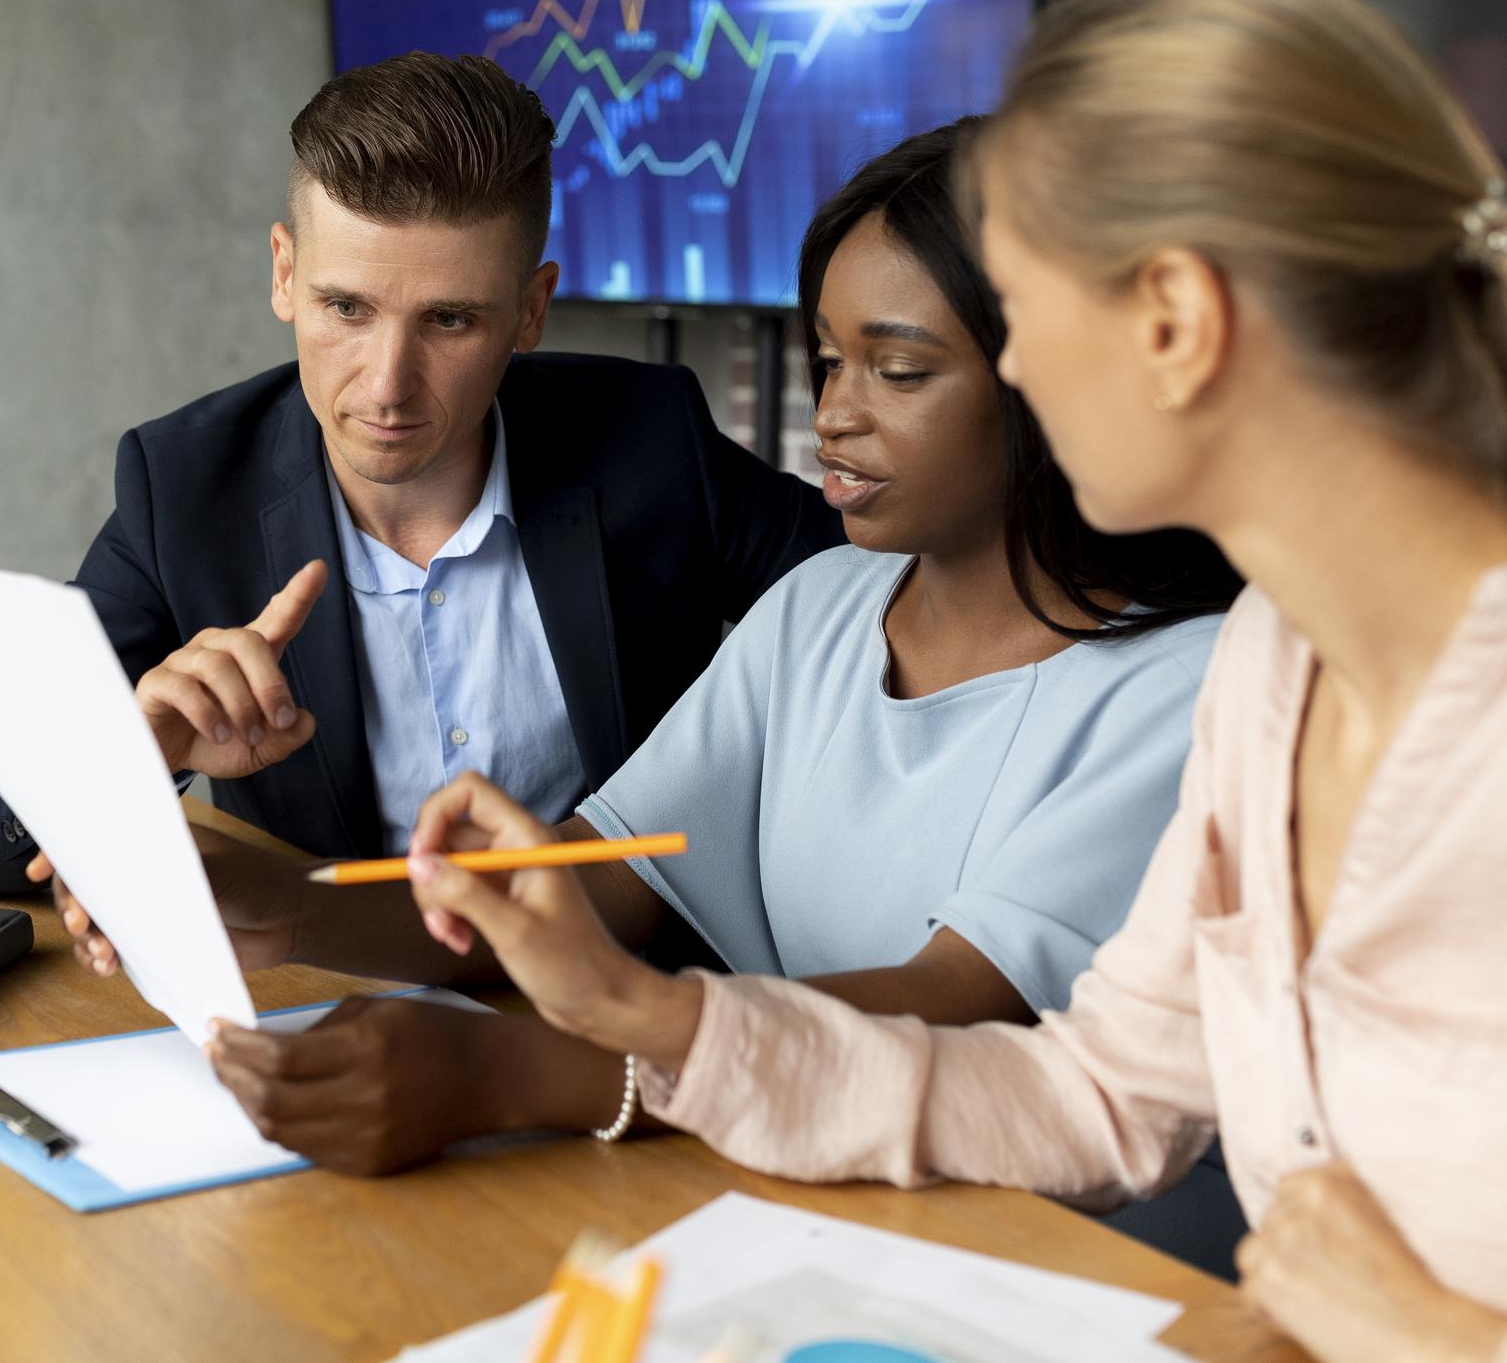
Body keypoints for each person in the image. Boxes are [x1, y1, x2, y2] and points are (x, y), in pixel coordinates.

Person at [388, 0, 1507, 1361]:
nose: (1022, 369)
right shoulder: (1276, 671)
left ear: (1175, 320)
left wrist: (1441, 1341)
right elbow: (1099, 1092)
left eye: (1019, 306)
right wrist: (657, 1019)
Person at [100, 126, 1241, 1194]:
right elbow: (586, 879)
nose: (833, 416)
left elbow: (947, 1008)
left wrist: (516, 1073)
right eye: (829, 361)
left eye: (894, 372)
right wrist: (268, 899)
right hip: (742, 1180)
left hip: (985, 1229)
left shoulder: (1188, 690)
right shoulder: (820, 606)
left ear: (1059, 385)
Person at [0, 52, 840, 892]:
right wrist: (133, 750)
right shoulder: (188, 486)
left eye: (449, 321)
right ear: (284, 274)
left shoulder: (650, 440)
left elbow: (893, 601)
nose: (387, 385)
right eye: (346, 307)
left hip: (600, 996)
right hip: (336, 1001)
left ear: (531, 312)